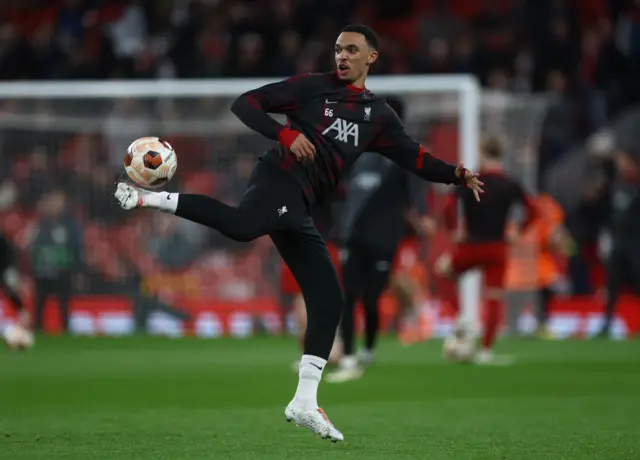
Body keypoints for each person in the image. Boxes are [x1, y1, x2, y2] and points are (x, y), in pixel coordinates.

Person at [114, 24, 483, 442]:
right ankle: (143, 199)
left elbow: (415, 157)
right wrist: (284, 134)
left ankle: (305, 402)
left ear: (371, 58)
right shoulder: (311, 89)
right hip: (279, 177)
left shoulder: (378, 117)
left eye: (351, 50)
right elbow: (245, 104)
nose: (342, 56)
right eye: (338, 49)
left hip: (302, 203)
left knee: (329, 299)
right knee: (242, 226)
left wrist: (456, 174)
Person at [325, 97, 435, 383]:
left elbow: (416, 192)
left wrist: (424, 217)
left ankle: (369, 350)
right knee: (347, 297)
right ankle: (348, 358)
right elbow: (341, 186)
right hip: (353, 236)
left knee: (371, 299)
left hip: (385, 237)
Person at [436, 136, 533, 365]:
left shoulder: (472, 180)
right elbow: (533, 209)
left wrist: (453, 231)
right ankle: (486, 350)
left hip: (471, 244)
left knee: (443, 271)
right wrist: (518, 230)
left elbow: (449, 208)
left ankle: (461, 317)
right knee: (494, 297)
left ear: (481, 151)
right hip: (497, 247)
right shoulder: (510, 183)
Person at [596, 145, 640, 338]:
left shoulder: (636, 187)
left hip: (636, 244)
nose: (623, 167)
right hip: (618, 243)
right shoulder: (615, 187)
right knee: (612, 284)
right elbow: (606, 213)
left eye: (626, 163)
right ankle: (606, 324)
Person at [0, 231, 28, 328]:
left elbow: (10, 255)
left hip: (5, 270)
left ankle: (23, 315)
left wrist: (11, 269)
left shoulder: (2, 239)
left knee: (11, 291)